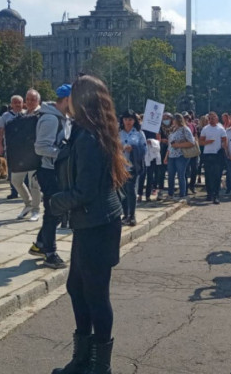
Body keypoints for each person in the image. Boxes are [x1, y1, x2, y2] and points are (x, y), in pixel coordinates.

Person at [49, 75, 129, 374]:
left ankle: (99, 365)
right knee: (76, 288)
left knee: (95, 294)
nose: (67, 101)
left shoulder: (90, 138)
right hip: (90, 223)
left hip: (98, 223)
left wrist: (55, 202)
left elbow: (85, 191)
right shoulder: (87, 132)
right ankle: (83, 359)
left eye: (72, 95)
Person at [28, 86, 70, 269]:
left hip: (56, 171)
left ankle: (40, 244)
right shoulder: (51, 119)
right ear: (67, 100)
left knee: (56, 211)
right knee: (53, 211)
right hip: (49, 172)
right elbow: (40, 147)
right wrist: (63, 153)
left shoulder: (63, 118)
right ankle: (50, 253)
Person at [11, 90, 43, 222]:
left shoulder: (42, 114)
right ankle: (28, 203)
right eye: (28, 99)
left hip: (36, 153)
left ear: (38, 101)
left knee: (34, 183)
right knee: (15, 180)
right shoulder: (22, 114)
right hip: (22, 154)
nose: (29, 102)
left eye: (33, 99)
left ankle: (36, 209)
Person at [119, 110, 146, 225]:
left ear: (134, 120)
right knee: (122, 191)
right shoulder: (118, 132)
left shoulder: (139, 133)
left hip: (132, 165)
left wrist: (134, 148)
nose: (128, 122)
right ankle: (125, 214)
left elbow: (144, 150)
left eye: (130, 119)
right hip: (120, 165)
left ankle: (132, 214)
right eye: (125, 119)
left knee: (131, 190)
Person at [0, 95, 25, 200]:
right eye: (15, 102)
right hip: (11, 148)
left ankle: (26, 192)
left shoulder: (27, 114)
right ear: (11, 104)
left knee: (26, 171)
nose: (17, 104)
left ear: (23, 103)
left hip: (26, 149)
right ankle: (14, 191)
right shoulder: (5, 116)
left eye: (19, 102)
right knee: (13, 170)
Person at [165, 113, 195, 200]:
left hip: (181, 155)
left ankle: (182, 194)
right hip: (171, 155)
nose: (172, 121)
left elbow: (191, 142)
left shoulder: (185, 129)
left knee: (180, 175)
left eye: (173, 120)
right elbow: (170, 145)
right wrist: (166, 156)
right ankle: (170, 194)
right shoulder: (173, 129)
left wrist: (178, 145)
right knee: (171, 175)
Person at [199, 112, 228, 204]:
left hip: (217, 155)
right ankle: (209, 194)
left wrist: (223, 148)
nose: (211, 120)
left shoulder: (221, 129)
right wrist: (208, 142)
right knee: (208, 175)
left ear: (217, 119)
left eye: (213, 118)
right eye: (210, 118)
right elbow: (201, 142)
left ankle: (216, 195)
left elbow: (225, 141)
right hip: (207, 154)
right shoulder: (205, 129)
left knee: (217, 176)